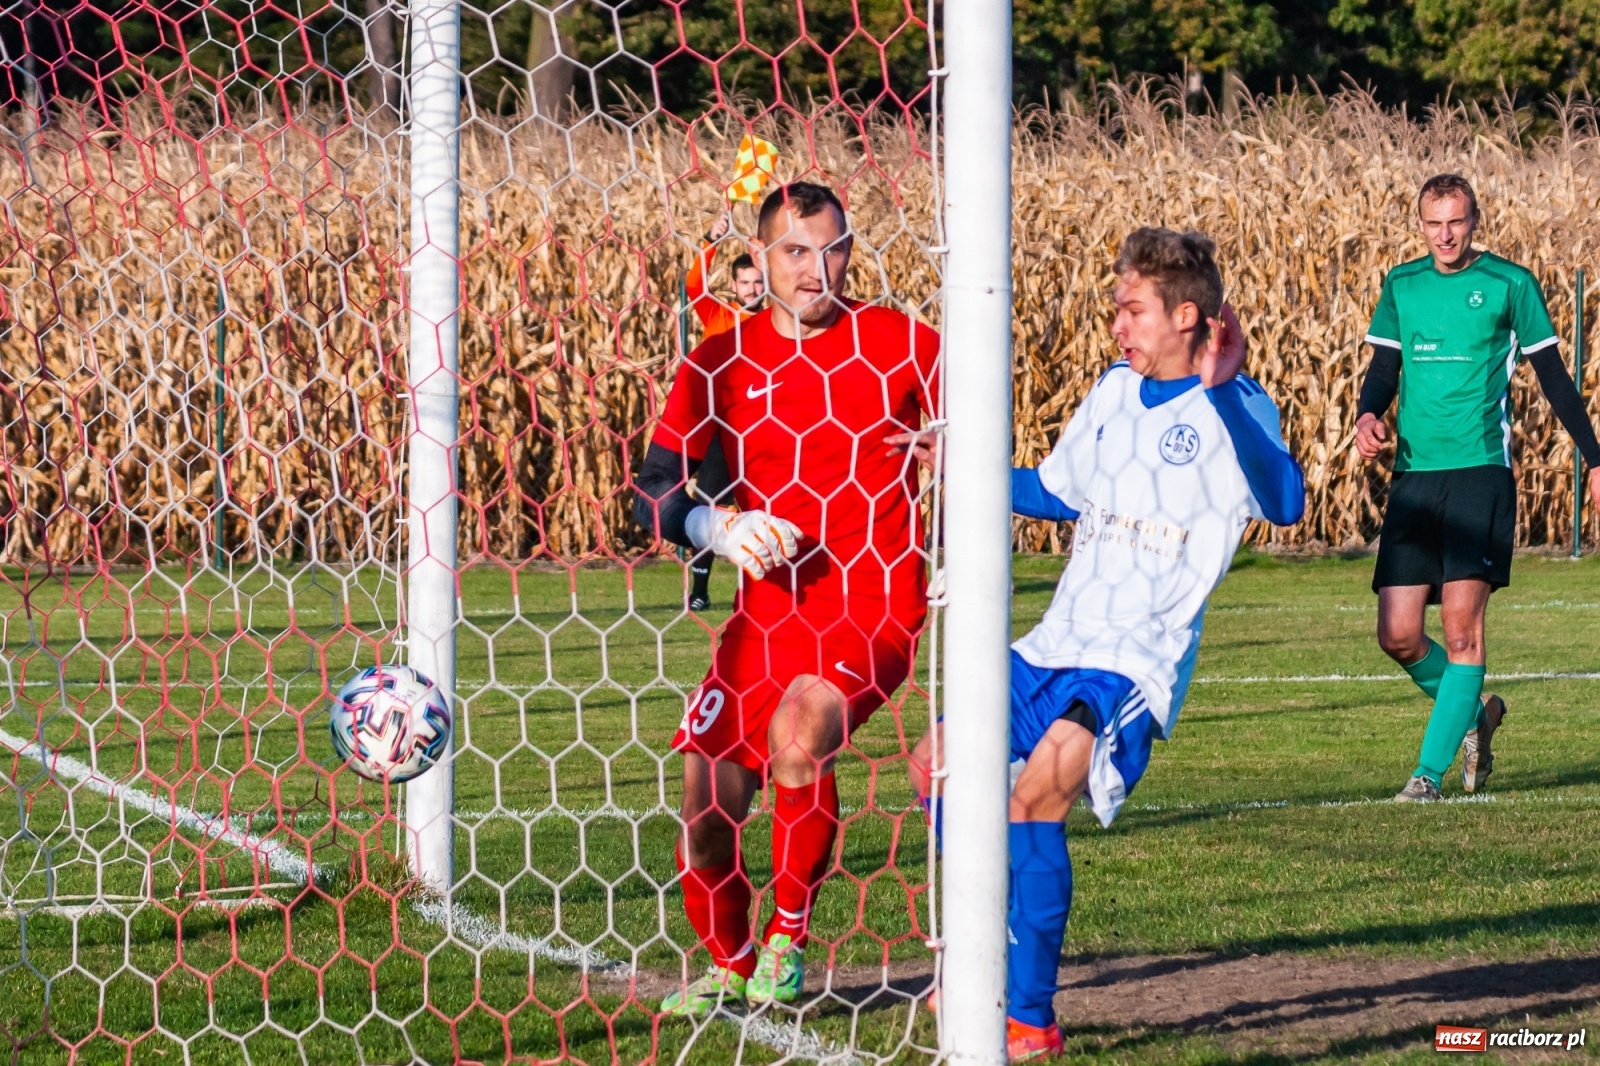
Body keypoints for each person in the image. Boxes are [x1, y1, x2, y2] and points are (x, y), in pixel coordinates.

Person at [900, 229, 1304, 1061]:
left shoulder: (1238, 403)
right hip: (1057, 641)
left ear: (1185, 314)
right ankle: (983, 954)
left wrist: (1224, 392)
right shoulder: (1114, 391)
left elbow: (1288, 500)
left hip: (1131, 660)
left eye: (1132, 308)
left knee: (1033, 798)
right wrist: (961, 468)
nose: (1117, 324)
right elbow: (1053, 492)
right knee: (933, 761)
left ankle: (1028, 1018)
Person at [634, 181, 938, 1014]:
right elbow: (650, 488)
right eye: (797, 251)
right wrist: (712, 527)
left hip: (872, 602)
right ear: (759, 258)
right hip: (764, 615)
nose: (819, 269)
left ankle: (787, 939)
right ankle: (730, 962)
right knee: (705, 813)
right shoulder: (718, 363)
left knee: (801, 731)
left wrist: (951, 454)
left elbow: (984, 434)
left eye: (834, 248)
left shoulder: (904, 343)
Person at [1354, 174, 1600, 802]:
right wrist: (1367, 413)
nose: (1445, 234)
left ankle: (1426, 777)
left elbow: (1555, 379)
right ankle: (1478, 715)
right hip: (1413, 475)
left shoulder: (1510, 285)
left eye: (1456, 222)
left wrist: (1595, 458)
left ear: (1475, 221)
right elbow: (1385, 367)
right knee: (1398, 633)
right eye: (1433, 222)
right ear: (1420, 224)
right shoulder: (1402, 285)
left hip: (1479, 474)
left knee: (1463, 630)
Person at [681, 209, 767, 610]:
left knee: (765, 510)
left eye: (757, 281)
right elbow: (693, 284)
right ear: (733, 285)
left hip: (765, 431)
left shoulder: (779, 320)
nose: (751, 289)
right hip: (721, 430)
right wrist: (711, 238)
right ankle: (698, 592)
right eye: (744, 282)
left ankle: (763, 595)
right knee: (710, 509)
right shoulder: (718, 316)